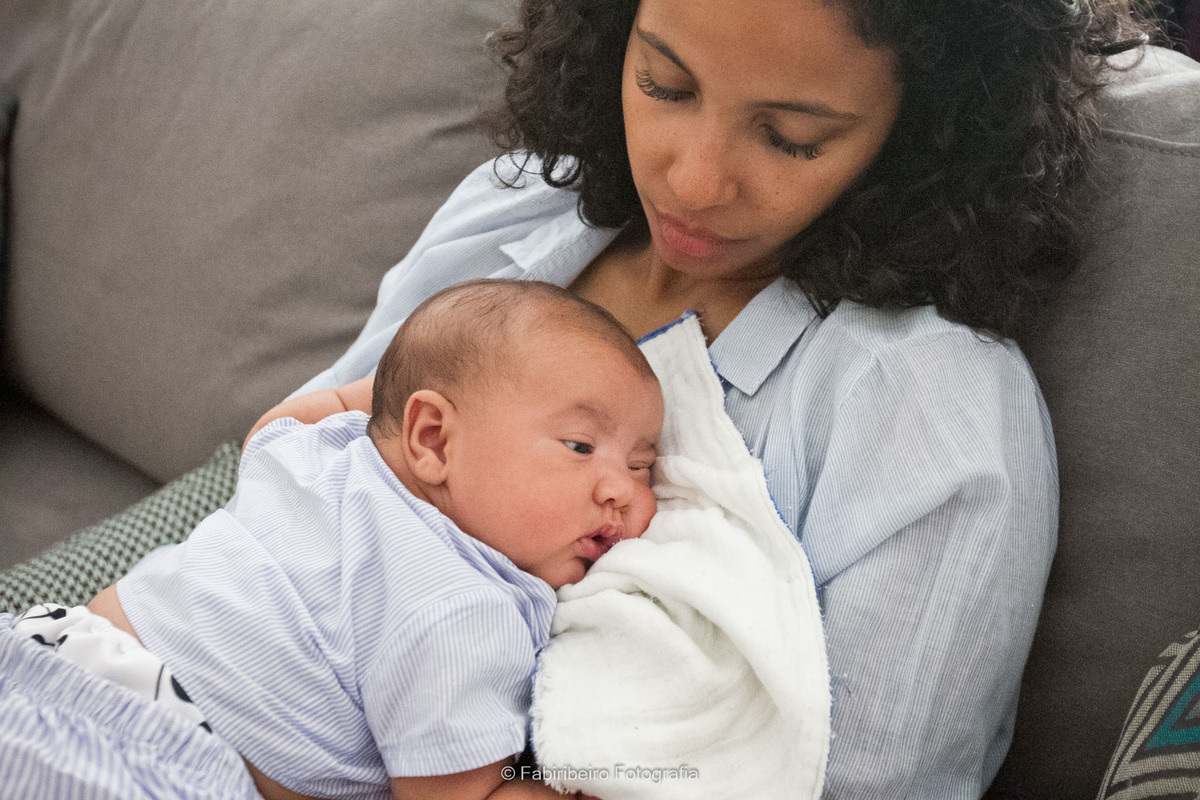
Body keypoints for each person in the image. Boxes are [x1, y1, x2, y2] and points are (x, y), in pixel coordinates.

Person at [247, 0, 1157, 796]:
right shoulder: (517, 214)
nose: (691, 180)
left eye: (790, 137)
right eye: (665, 85)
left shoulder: (927, 412)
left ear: (924, 133)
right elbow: (285, 493)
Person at [11, 279, 663, 800]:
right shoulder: (461, 607)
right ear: (433, 437)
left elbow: (278, 420)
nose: (622, 492)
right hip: (166, 762)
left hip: (42, 659)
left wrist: (387, 389)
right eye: (580, 445)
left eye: (642, 466)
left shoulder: (317, 448)